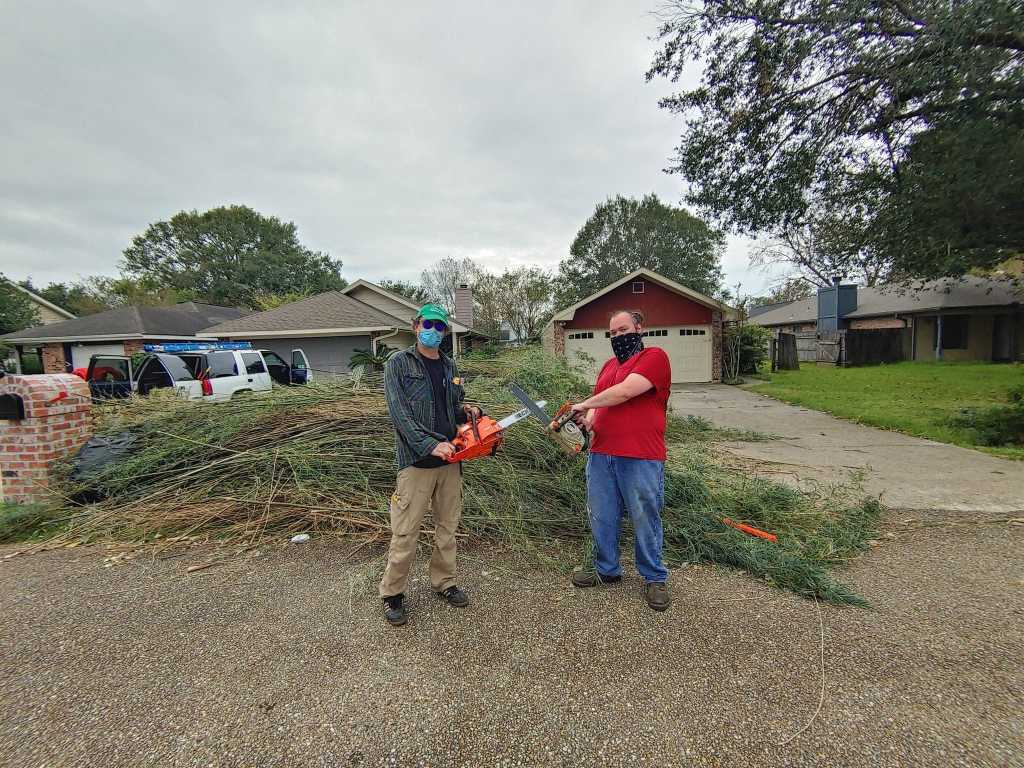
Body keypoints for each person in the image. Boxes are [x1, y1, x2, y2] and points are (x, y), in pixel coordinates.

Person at [379, 303, 481, 626]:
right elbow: (400, 415)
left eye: (440, 327)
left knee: (447, 527)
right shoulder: (398, 364)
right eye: (429, 324)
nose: (434, 331)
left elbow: (452, 408)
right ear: (415, 326)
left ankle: (444, 582)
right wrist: (428, 445)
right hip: (416, 463)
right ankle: (392, 593)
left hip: (451, 459)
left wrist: (468, 413)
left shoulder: (450, 366)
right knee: (406, 532)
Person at [569, 309, 673, 611]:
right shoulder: (608, 366)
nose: (618, 337)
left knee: (645, 515)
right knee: (602, 514)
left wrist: (585, 403)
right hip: (602, 454)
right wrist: (587, 419)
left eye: (623, 329)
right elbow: (602, 402)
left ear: (639, 329)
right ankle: (607, 569)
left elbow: (624, 392)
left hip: (640, 454)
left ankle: (654, 576)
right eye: (612, 333)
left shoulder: (654, 358)